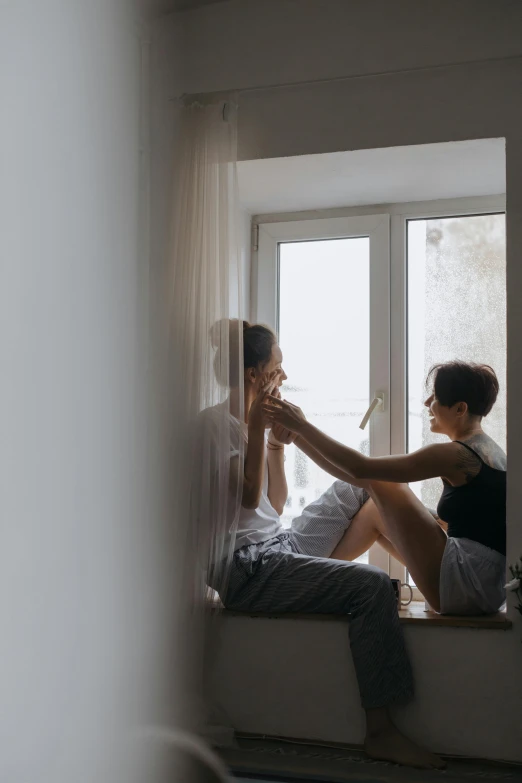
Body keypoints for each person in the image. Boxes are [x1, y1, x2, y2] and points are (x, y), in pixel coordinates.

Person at [199, 319, 445, 770]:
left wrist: (275, 445)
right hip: (247, 569)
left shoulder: (245, 424)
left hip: (280, 547)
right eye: (277, 367)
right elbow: (248, 495)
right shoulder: (214, 427)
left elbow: (272, 503)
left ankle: (439, 582)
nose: (284, 377)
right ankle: (381, 732)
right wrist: (255, 425)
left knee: (365, 486)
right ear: (254, 374)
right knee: (371, 586)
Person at [264, 361, 506, 617]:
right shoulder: (489, 451)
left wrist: (301, 427)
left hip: (467, 584)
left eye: (435, 396)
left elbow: (360, 469)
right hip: (483, 585)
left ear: (460, 408)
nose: (427, 403)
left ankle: (300, 582)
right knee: (374, 511)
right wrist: (298, 436)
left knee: (381, 482)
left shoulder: (455, 455)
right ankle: (310, 584)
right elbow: (358, 475)